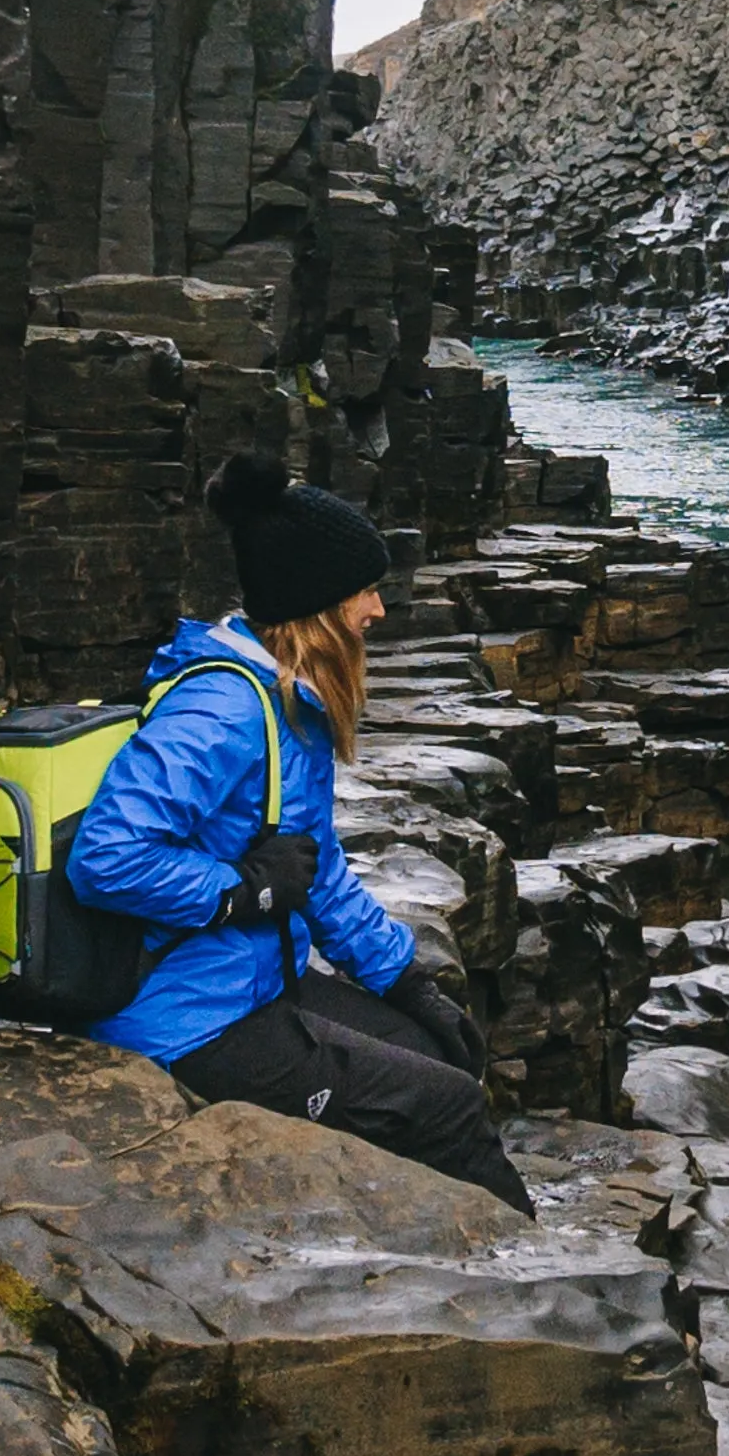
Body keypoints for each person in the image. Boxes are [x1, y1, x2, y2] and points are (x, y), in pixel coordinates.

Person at [68, 450, 532, 1215]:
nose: (378, 611)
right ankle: (530, 1278)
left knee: (434, 1053)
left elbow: (314, 867)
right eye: (365, 591)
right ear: (316, 602)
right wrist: (241, 892)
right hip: (182, 1019)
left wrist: (404, 981)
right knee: (445, 1108)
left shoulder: (289, 703)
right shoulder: (223, 711)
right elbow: (108, 859)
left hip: (247, 983)